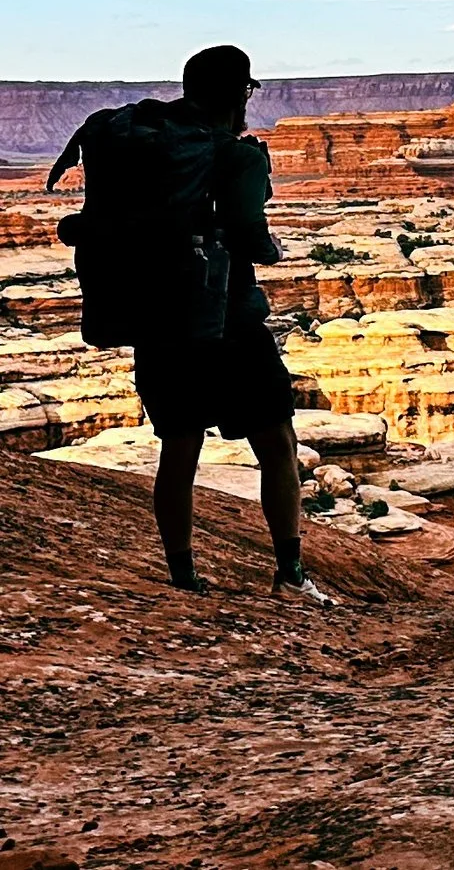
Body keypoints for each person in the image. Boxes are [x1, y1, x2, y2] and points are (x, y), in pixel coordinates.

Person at [122, 46, 304, 593]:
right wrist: (271, 249)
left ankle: (183, 577)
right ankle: (290, 574)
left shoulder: (146, 141)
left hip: (159, 321)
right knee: (277, 445)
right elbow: (249, 233)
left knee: (179, 448)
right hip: (230, 320)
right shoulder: (235, 154)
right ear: (240, 93)